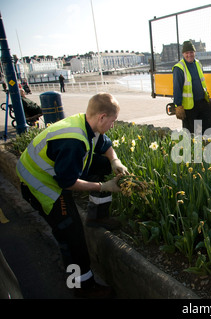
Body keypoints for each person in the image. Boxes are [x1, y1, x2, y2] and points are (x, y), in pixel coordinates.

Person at [16, 92, 128, 298]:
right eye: (112, 121)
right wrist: (104, 186)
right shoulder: (74, 140)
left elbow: (105, 144)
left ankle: (97, 216)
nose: (113, 125)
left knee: (103, 163)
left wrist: (115, 161)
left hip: (56, 171)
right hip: (40, 183)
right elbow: (67, 183)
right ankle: (81, 286)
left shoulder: (87, 123)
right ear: (102, 117)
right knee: (71, 234)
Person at [172, 40, 211, 134]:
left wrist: (206, 97)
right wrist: (178, 106)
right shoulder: (179, 68)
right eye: (187, 53)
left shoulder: (198, 64)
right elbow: (177, 88)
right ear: (183, 54)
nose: (189, 55)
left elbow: (201, 82)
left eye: (191, 52)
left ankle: (208, 147)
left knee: (210, 128)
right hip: (189, 108)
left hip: (202, 103)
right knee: (192, 133)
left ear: (194, 53)